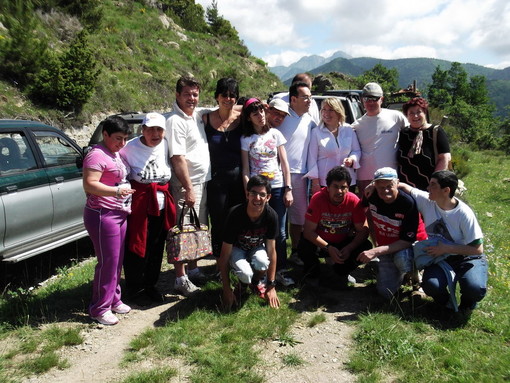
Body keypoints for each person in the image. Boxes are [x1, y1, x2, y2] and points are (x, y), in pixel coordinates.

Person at [399, 170, 488, 313]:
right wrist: (375, 184)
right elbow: (404, 187)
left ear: (446, 190)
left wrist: (447, 248)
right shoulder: (427, 201)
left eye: (433, 185)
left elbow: (478, 249)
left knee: (474, 288)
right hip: (441, 257)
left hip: (468, 257)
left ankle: (467, 304)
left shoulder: (464, 213)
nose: (428, 188)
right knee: (430, 285)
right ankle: (446, 304)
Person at [82, 116, 135, 325]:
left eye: (125, 139)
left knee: (116, 260)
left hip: (119, 213)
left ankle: (113, 299)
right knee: (107, 262)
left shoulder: (114, 152)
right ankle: (99, 308)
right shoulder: (96, 155)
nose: (122, 144)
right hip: (102, 214)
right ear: (105, 135)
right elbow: (89, 185)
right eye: (118, 139)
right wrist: (117, 190)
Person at [120, 112, 176, 303]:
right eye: (150, 129)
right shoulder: (129, 148)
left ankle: (150, 285)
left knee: (156, 246)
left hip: (161, 203)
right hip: (140, 203)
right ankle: (135, 288)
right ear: (142, 129)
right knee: (137, 245)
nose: (155, 134)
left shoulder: (166, 144)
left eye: (159, 130)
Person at [240, 97, 294, 286]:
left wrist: (288, 188)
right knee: (260, 230)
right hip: (258, 191)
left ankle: (281, 270)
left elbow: (285, 165)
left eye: (262, 111)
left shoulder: (275, 134)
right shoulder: (246, 139)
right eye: (255, 113)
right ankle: (261, 271)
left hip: (278, 187)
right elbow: (246, 169)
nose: (261, 116)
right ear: (249, 118)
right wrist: (249, 192)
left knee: (280, 231)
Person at [165, 76, 210, 295]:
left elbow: (227, 107)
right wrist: (189, 187)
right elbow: (177, 158)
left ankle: (193, 270)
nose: (191, 98)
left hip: (201, 181)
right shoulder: (175, 121)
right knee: (183, 230)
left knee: (195, 227)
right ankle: (180, 278)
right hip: (186, 184)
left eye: (195, 94)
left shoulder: (197, 115)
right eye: (187, 94)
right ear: (177, 95)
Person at [358, 167, 426, 300]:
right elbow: (369, 214)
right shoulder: (371, 194)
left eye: (389, 186)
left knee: (402, 259)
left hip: (411, 245)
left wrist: (375, 251)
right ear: (375, 185)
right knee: (385, 293)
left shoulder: (408, 202)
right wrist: (375, 241)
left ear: (397, 183)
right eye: (380, 186)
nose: (385, 191)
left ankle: (416, 275)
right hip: (386, 246)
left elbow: (407, 241)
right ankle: (399, 275)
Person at [298, 166, 372, 287]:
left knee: (365, 246)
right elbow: (308, 232)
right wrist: (328, 248)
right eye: (335, 187)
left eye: (343, 187)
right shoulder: (317, 199)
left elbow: (363, 231)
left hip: (343, 243)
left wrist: (349, 248)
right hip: (321, 243)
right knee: (303, 245)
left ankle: (341, 272)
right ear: (328, 187)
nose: (339, 191)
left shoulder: (354, 201)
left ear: (348, 188)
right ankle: (312, 273)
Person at [219, 175, 280, 310]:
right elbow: (224, 254)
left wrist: (271, 286)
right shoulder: (235, 214)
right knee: (245, 274)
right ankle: (243, 283)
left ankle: (255, 282)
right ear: (247, 194)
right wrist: (226, 289)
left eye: (262, 195)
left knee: (263, 262)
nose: (257, 198)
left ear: (268, 197)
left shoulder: (271, 216)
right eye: (253, 193)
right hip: (237, 249)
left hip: (256, 247)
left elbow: (272, 251)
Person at [203, 78, 244, 258]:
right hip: (216, 180)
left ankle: (236, 259)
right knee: (218, 221)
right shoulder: (206, 119)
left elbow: (256, 105)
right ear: (217, 96)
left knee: (237, 219)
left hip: (238, 179)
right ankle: (220, 262)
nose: (228, 99)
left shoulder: (242, 119)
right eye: (224, 95)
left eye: (233, 95)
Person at [276, 81, 316, 268]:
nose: (309, 101)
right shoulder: (282, 117)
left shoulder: (309, 120)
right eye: (305, 97)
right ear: (293, 99)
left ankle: (296, 252)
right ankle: (275, 256)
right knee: (278, 219)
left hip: (301, 175)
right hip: (277, 174)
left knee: (299, 219)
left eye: (310, 97)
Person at [352, 82, 407, 195]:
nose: (370, 102)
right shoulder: (356, 125)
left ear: (381, 99)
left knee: (390, 210)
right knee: (367, 210)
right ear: (362, 100)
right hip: (365, 177)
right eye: (367, 98)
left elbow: (411, 135)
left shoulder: (396, 117)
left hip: (390, 176)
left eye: (374, 98)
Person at [305, 97, 361, 194]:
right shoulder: (316, 132)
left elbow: (356, 151)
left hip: (347, 181)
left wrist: (352, 159)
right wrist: (315, 182)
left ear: (338, 111)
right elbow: (312, 160)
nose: (326, 113)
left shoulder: (348, 129)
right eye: (324, 110)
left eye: (331, 110)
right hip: (325, 182)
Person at [398, 97, 451, 191]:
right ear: (406, 115)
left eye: (419, 112)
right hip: (405, 189)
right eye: (411, 113)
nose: (415, 116)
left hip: (429, 189)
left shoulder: (436, 131)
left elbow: (444, 158)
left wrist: (434, 183)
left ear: (425, 112)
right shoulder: (403, 133)